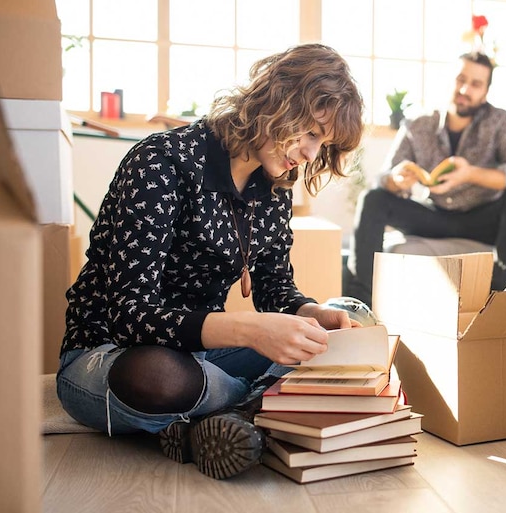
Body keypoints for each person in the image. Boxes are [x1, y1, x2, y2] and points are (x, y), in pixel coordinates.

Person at [56, 44, 365, 480]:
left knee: (321, 346)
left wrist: (311, 314)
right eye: (313, 134)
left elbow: (276, 289)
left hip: (202, 360)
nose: (312, 154)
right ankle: (255, 408)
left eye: (323, 144)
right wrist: (249, 329)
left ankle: (213, 418)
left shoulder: (274, 187)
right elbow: (130, 316)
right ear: (278, 101)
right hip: (110, 355)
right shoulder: (162, 162)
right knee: (160, 376)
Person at [344, 52, 506, 306]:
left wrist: (471, 174)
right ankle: (361, 303)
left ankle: (498, 295)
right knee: (373, 198)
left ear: (486, 92)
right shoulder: (418, 124)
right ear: (450, 80)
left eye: (476, 84)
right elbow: (384, 178)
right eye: (460, 79)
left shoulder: (500, 121)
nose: (465, 89)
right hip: (434, 215)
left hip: (483, 219)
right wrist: (396, 179)